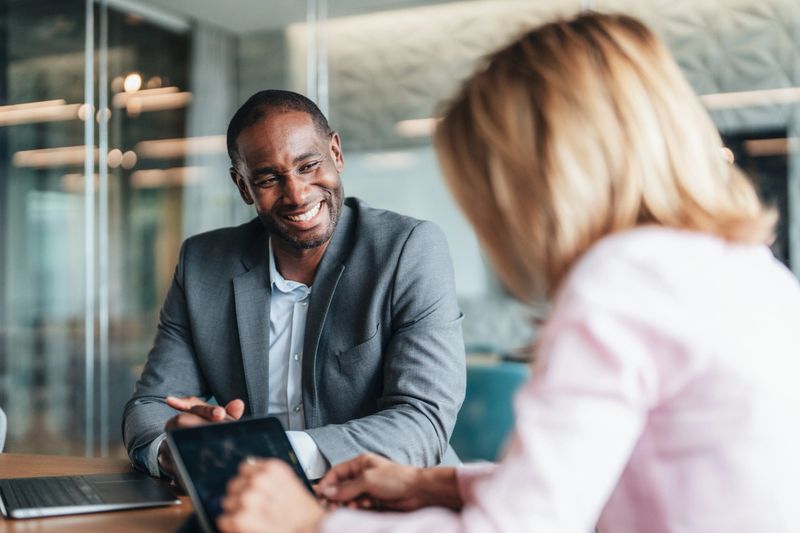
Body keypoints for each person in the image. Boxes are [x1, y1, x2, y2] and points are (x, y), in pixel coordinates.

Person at [216, 13, 800, 533]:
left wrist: (311, 523)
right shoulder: (743, 267)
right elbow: (584, 479)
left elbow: (524, 524)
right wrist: (438, 483)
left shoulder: (621, 282)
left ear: (548, 177)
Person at [122, 90, 466, 482]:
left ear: (335, 152)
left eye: (308, 165)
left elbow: (423, 421)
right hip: (255, 506)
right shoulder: (203, 265)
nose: (297, 194)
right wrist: (173, 451)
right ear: (243, 186)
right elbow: (150, 405)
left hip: (397, 503)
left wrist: (272, 456)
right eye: (269, 178)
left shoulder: (409, 249)